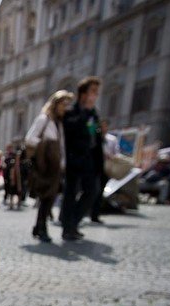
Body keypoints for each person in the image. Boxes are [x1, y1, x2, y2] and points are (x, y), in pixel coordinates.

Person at [25, 90, 73, 242]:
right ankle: (41, 227)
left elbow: (62, 146)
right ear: (56, 104)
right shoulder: (43, 119)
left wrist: (62, 162)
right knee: (46, 197)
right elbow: (30, 138)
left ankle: (39, 226)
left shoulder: (59, 124)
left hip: (55, 167)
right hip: (44, 165)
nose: (65, 108)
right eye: (63, 104)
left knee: (50, 198)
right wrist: (45, 149)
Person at [61, 76, 104, 241]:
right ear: (83, 94)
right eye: (93, 91)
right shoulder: (72, 112)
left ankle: (74, 222)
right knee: (70, 193)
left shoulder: (94, 114)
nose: (95, 95)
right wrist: (85, 112)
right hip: (74, 159)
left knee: (92, 192)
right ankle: (67, 227)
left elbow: (96, 138)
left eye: (96, 92)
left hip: (90, 160)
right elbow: (70, 134)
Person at [90, 119, 119, 223]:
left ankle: (95, 214)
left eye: (105, 126)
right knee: (92, 190)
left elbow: (116, 154)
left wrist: (110, 156)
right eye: (101, 126)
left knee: (100, 191)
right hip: (94, 168)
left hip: (105, 168)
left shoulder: (112, 139)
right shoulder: (94, 138)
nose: (103, 128)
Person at [3, 144, 20, 209]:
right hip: (9, 175)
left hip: (15, 175)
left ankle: (18, 202)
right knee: (10, 190)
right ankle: (11, 203)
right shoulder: (7, 156)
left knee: (17, 190)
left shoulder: (14, 155)